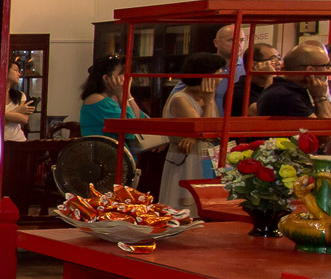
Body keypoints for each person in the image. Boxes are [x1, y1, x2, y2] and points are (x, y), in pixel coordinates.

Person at [158, 52, 225, 212]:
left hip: (208, 156)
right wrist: (208, 102)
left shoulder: (207, 97)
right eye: (218, 75)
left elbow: (213, 132)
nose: (221, 79)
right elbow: (202, 128)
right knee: (187, 204)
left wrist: (195, 137)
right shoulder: (181, 99)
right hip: (188, 158)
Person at [78, 54, 145, 149]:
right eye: (122, 74)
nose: (127, 78)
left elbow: (138, 122)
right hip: (104, 159)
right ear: (106, 78)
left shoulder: (116, 98)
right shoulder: (97, 100)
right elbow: (130, 129)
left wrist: (127, 94)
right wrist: (122, 95)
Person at [257, 41, 331, 118]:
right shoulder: (286, 96)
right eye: (326, 66)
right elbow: (326, 127)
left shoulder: (294, 89)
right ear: (310, 70)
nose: (328, 72)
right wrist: (320, 98)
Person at [214, 23, 251, 116]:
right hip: (210, 124)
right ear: (216, 43)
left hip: (238, 124)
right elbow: (179, 96)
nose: (238, 44)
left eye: (241, 40)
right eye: (231, 40)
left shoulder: (248, 68)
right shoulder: (204, 66)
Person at [245, 42, 281, 114]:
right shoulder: (238, 90)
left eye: (279, 58)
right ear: (254, 65)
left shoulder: (280, 86)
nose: (278, 63)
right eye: (273, 59)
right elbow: (261, 111)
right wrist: (271, 76)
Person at [3, 61, 34, 141]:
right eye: (15, 70)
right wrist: (18, 110)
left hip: (18, 140)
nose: (19, 74)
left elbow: (24, 119)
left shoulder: (20, 95)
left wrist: (1, 116)